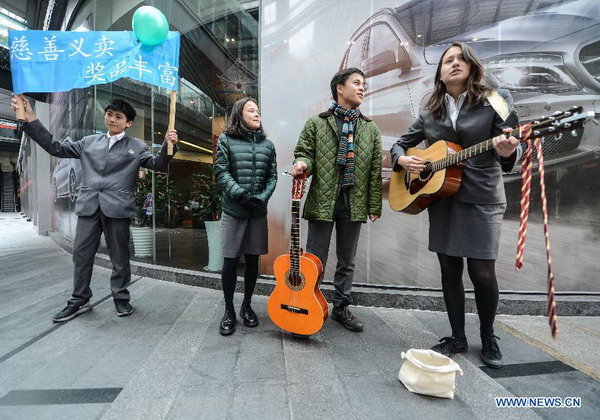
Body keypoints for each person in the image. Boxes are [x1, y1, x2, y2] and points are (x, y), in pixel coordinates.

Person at [390, 42, 521, 369]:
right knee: (449, 268)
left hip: (481, 195)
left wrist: (507, 151)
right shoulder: (430, 110)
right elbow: (399, 144)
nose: (455, 63)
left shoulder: (495, 97)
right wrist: (403, 159)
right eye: (448, 59)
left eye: (461, 58)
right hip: (443, 195)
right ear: (440, 72)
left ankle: (488, 335)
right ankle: (457, 336)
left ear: (472, 65)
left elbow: (510, 138)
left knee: (481, 272)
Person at [11, 96, 178, 322]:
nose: (112, 119)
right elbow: (56, 147)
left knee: (120, 257)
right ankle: (79, 300)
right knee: (81, 255)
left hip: (118, 208)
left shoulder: (137, 146)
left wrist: (170, 146)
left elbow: (156, 164)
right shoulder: (89, 142)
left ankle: (121, 298)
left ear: (128, 123)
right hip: (89, 206)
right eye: (109, 114)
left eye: (118, 117)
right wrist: (31, 119)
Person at [291, 68, 382, 332]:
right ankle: (308, 301)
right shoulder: (317, 123)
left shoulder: (370, 128)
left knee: (347, 260)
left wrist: (374, 205)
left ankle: (341, 307)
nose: (362, 88)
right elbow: (304, 152)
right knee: (314, 259)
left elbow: (375, 171)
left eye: (364, 84)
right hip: (322, 199)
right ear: (339, 88)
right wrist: (301, 163)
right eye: (356, 83)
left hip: (353, 202)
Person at [215, 97, 277, 336]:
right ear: (239, 115)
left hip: (257, 211)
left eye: (258, 110)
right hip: (234, 209)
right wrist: (240, 194)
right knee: (230, 259)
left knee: (253, 260)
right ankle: (229, 310)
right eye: (251, 110)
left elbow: (272, 176)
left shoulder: (268, 145)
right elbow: (221, 172)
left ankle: (246, 306)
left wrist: (263, 197)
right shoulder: (226, 140)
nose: (256, 113)